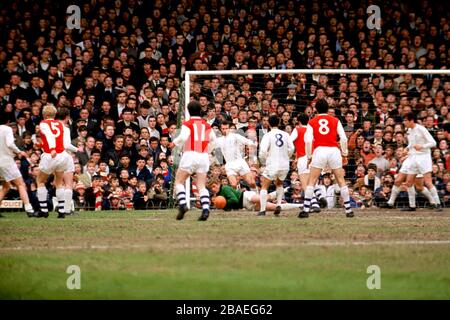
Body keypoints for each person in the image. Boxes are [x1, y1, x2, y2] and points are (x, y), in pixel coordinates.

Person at [299, 98, 354, 218]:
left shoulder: (312, 122)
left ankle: (306, 210)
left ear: (316, 109)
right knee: (341, 180)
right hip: (334, 150)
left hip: (319, 151)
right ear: (328, 109)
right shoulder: (335, 120)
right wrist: (344, 153)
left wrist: (309, 156)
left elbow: (308, 141)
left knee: (312, 181)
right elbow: (344, 138)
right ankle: (349, 210)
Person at [382, 112, 441, 211]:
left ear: (411, 121)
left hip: (424, 157)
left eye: (405, 120)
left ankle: (437, 204)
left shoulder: (421, 129)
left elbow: (433, 142)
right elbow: (412, 144)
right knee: (408, 182)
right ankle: (411, 206)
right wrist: (407, 149)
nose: (404, 122)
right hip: (413, 157)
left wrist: (422, 146)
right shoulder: (409, 130)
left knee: (427, 182)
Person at [170, 100, 216, 221]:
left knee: (179, 182)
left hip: (190, 154)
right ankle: (206, 209)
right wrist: (208, 150)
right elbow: (214, 141)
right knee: (201, 185)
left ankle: (183, 204)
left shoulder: (188, 123)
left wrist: (173, 143)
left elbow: (183, 137)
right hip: (203, 156)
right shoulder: (207, 125)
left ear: (188, 111)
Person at [36, 104, 69, 218]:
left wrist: (52, 149)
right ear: (54, 114)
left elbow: (50, 136)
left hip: (51, 155)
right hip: (62, 155)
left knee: (40, 181)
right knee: (59, 183)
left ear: (44, 114)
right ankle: (62, 211)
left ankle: (43, 210)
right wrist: (41, 144)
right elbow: (63, 141)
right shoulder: (60, 124)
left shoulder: (43, 123)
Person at [258, 115, 295, 216]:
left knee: (264, 186)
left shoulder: (268, 135)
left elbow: (262, 151)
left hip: (272, 164)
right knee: (279, 184)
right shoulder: (286, 134)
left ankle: (262, 210)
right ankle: (278, 204)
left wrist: (265, 161)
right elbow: (292, 148)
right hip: (284, 164)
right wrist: (286, 156)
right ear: (279, 123)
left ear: (268, 124)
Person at [290, 112, 327, 212]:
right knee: (311, 181)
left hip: (303, 158)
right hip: (315, 158)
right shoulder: (313, 130)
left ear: (299, 121)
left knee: (305, 184)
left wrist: (292, 154)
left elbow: (290, 141)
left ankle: (315, 204)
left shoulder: (297, 130)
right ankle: (319, 195)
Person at [0, 124, 37, 217]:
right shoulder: (6, 128)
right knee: (21, 184)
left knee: (6, 186)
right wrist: (19, 151)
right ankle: (29, 209)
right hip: (6, 161)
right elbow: (10, 144)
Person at [208, 179, 302, 212]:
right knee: (274, 207)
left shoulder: (225, 188)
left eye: (214, 186)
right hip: (246, 206)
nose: (213, 189)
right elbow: (230, 208)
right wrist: (221, 206)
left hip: (246, 196)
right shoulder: (218, 197)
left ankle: (286, 189)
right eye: (211, 188)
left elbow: (235, 200)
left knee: (265, 198)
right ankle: (300, 206)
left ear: (218, 184)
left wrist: (224, 204)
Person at [215, 121, 257, 190]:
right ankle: (237, 199)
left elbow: (247, 141)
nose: (225, 130)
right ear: (220, 129)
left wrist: (252, 145)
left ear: (229, 129)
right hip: (229, 164)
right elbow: (210, 147)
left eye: (226, 128)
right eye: (223, 129)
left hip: (240, 162)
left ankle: (257, 195)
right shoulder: (218, 140)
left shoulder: (235, 136)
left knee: (251, 182)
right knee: (233, 184)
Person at [56, 107, 81, 216]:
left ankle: (60, 207)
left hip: (52, 156)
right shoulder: (65, 128)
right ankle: (65, 209)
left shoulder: (51, 126)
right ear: (67, 117)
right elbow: (66, 145)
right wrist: (77, 149)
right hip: (64, 156)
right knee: (68, 184)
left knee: (58, 183)